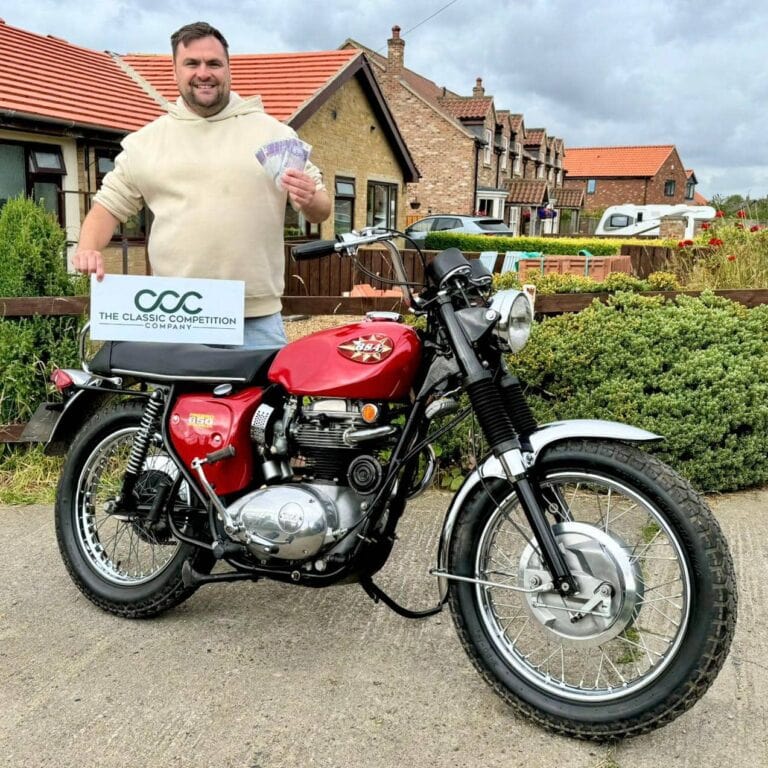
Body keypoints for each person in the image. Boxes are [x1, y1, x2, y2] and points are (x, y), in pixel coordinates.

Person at [74, 21, 331, 348]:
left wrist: (310, 198)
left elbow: (321, 210)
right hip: (175, 317)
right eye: (192, 63)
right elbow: (106, 208)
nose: (203, 73)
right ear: (175, 71)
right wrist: (87, 248)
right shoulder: (146, 143)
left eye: (213, 63)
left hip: (255, 320)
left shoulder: (274, 135)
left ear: (228, 69)